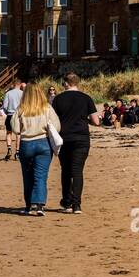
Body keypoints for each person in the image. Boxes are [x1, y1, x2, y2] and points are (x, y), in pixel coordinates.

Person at [51, 73, 100, 214]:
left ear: (66, 83)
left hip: (64, 137)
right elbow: (96, 121)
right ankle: (77, 205)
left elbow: (54, 121)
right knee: (77, 171)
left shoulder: (58, 99)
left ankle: (67, 202)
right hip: (81, 138)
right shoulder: (86, 98)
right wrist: (86, 120)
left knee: (65, 171)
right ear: (77, 83)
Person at [12, 83, 60, 216]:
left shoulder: (21, 108)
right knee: (41, 176)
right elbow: (57, 126)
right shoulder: (47, 107)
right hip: (43, 143)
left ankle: (29, 206)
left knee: (27, 176)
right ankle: (39, 205)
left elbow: (15, 129)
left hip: (26, 143)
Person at [2, 80, 25, 161]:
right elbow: (24, 105)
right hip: (18, 115)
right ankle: (17, 152)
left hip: (10, 115)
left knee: (9, 132)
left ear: (13, 84)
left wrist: (7, 112)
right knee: (18, 134)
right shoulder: (22, 93)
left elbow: (4, 106)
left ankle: (9, 149)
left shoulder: (8, 93)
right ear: (20, 85)